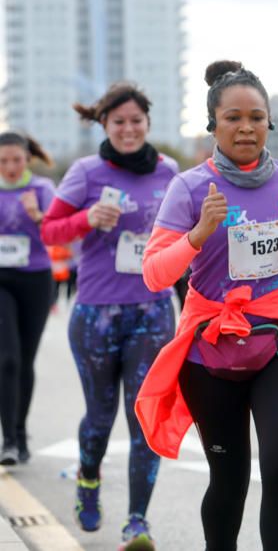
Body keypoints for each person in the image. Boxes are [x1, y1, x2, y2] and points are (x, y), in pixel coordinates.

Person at [135, 60, 278, 551]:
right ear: (213, 125)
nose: (246, 127)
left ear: (270, 123)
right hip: (212, 348)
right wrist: (198, 235)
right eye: (233, 118)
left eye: (257, 117)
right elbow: (155, 272)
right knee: (230, 480)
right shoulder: (188, 188)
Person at [40, 84, 179, 550]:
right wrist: (86, 220)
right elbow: (49, 230)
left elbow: (183, 239)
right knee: (100, 418)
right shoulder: (86, 173)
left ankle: (137, 522)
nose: (128, 129)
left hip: (153, 311)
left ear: (148, 123)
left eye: (135, 120)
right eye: (118, 121)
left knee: (144, 418)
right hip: (97, 313)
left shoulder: (169, 172)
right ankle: (88, 478)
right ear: (105, 125)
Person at [0, 131, 55, 466]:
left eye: (16, 160)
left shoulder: (43, 190)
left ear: (27, 159)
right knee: (7, 359)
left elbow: (60, 232)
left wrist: (38, 216)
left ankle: (20, 434)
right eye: (3, 161)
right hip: (0, 281)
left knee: (26, 360)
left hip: (35, 278)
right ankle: (8, 440)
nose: (9, 167)